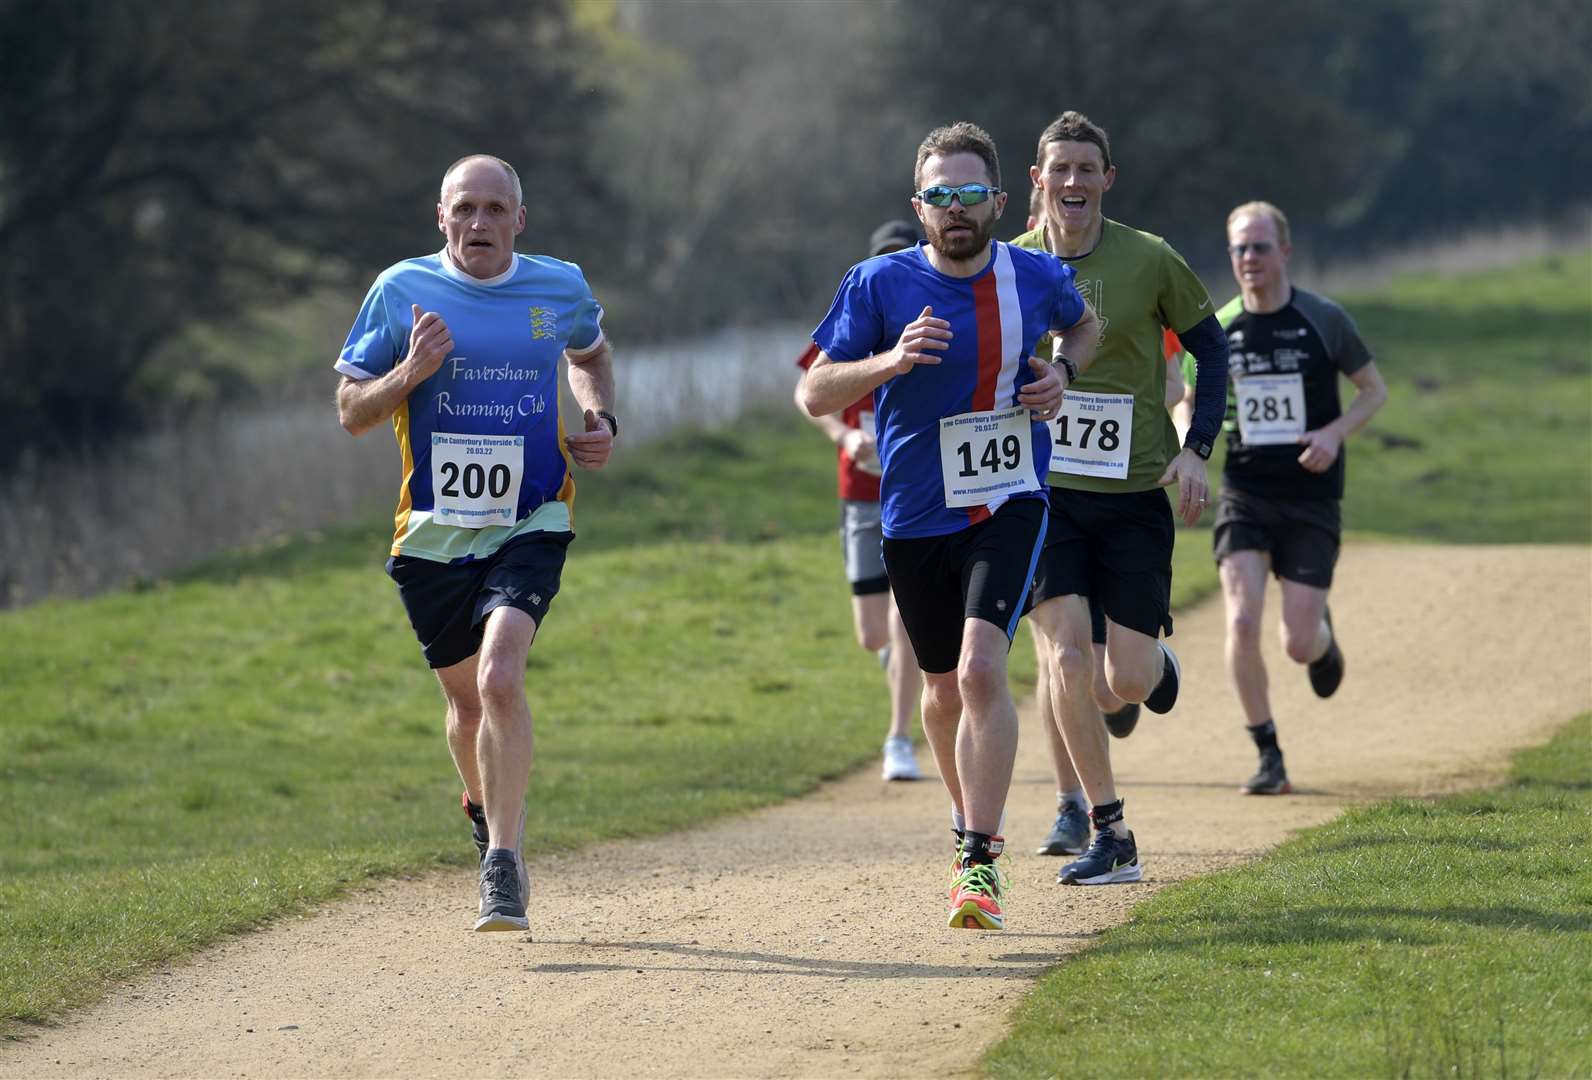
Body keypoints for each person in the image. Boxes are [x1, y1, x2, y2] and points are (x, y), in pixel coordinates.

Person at [800, 121, 1099, 931]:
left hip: (1011, 496)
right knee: (938, 692)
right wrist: (890, 363)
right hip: (913, 514)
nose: (955, 209)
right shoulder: (876, 284)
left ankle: (979, 856)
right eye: (940, 195)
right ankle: (968, 826)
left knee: (977, 670)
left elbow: (1083, 324)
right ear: (919, 204)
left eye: (970, 194)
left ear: (1001, 200)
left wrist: (1060, 374)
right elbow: (815, 392)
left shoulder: (1034, 275)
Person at [334, 155, 617, 932]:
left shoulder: (559, 286)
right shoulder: (401, 291)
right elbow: (352, 411)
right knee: (464, 707)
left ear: (519, 220)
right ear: (441, 216)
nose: (480, 223)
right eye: (465, 209)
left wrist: (598, 419)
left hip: (532, 520)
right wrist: (411, 372)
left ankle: (503, 861)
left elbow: (589, 352)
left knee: (498, 680)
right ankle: (483, 810)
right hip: (430, 535)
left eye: (496, 209)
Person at [1015, 111, 1229, 884]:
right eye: (1059, 169)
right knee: (1065, 655)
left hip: (1136, 489)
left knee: (1123, 682)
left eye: (1086, 169)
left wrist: (1198, 448)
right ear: (1037, 181)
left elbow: (1210, 345)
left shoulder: (1151, 260)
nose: (1072, 181)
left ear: (1108, 179)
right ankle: (1110, 831)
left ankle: (1156, 665)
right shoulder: (1011, 265)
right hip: (1041, 494)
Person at [1175, 200, 1387, 795]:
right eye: (1239, 249)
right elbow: (1186, 397)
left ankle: (1320, 631)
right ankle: (1268, 753)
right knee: (1241, 621)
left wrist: (1333, 433)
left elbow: (1373, 390)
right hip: (1245, 492)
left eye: (1260, 247)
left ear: (1285, 251)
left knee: (1296, 642)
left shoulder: (1323, 319)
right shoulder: (1220, 328)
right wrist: (1189, 446)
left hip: (1311, 496)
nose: (1249, 259)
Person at [793, 220, 927, 782]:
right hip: (860, 495)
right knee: (873, 633)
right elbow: (807, 391)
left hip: (919, 496)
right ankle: (901, 664)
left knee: (904, 620)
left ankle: (898, 738)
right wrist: (845, 437)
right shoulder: (852, 321)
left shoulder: (930, 327)